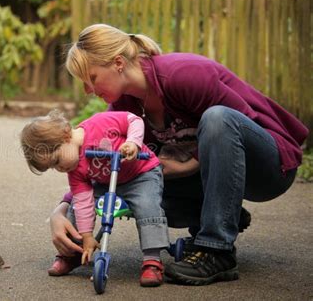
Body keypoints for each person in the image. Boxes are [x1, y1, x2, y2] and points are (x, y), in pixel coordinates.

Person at [49, 23, 309, 286]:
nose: (88, 90)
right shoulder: (124, 106)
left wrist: (190, 166)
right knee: (141, 187)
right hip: (215, 177)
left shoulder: (182, 74)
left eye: (91, 78)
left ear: (117, 63)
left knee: (217, 118)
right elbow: (99, 164)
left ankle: (217, 251)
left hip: (268, 167)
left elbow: (239, 123)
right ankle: (218, 215)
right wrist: (62, 209)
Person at [21, 110, 168, 287]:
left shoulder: (100, 123)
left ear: (66, 136)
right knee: (75, 206)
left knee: (147, 204)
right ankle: (73, 253)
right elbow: (83, 201)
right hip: (107, 181)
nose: (58, 168)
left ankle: (152, 261)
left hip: (141, 174)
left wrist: (133, 142)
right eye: (52, 167)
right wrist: (87, 235)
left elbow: (133, 120)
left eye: (57, 160)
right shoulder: (74, 169)